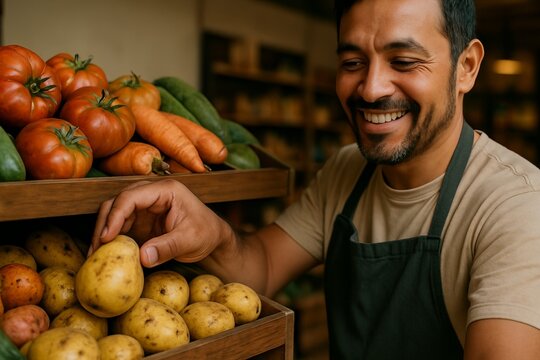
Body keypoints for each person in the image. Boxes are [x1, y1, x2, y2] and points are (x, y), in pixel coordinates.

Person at [90, 0, 540, 358]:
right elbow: (261, 267)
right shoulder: (348, 169)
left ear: (466, 67)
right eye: (352, 63)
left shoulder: (515, 205)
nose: (371, 88)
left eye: (403, 61)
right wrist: (211, 232)